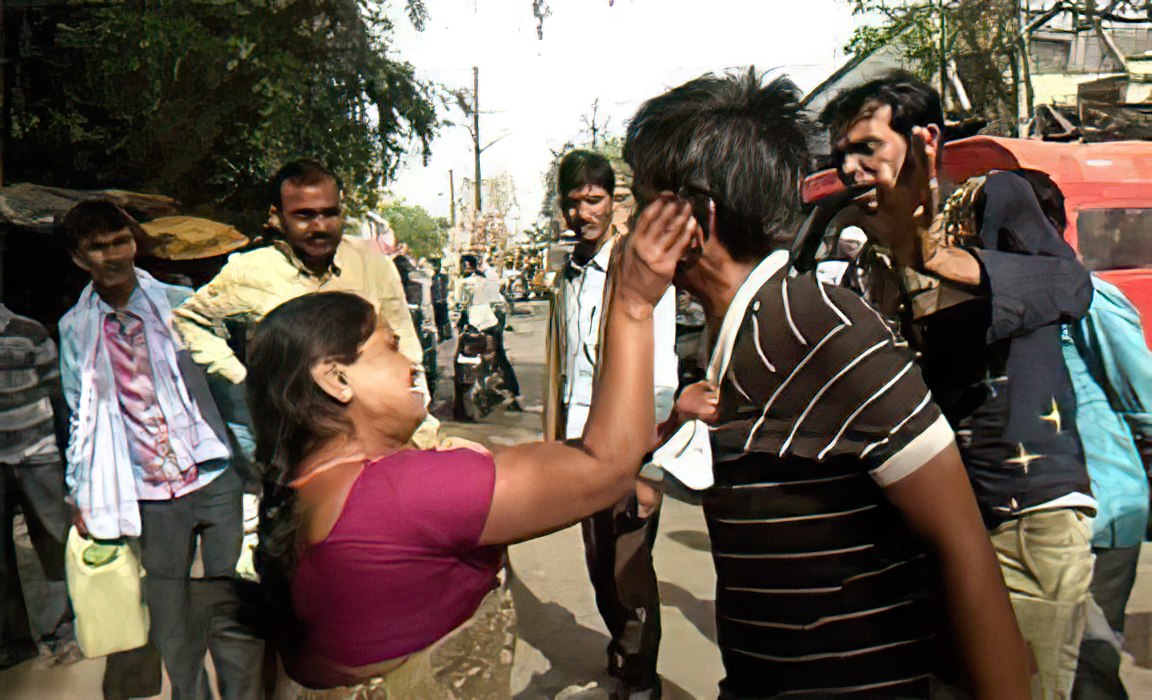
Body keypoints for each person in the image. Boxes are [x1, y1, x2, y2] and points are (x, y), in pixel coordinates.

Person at [625, 69, 1030, 698]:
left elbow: (965, 552)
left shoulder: (815, 321)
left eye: (642, 199)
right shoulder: (739, 331)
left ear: (696, 219)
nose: (630, 224)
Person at [243, 194, 697, 695]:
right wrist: (632, 303)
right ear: (336, 380)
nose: (411, 363)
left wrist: (667, 425)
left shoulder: (315, 484)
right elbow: (603, 470)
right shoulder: (401, 494)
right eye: (389, 347)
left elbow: (570, 460)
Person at [822, 72, 1096, 698]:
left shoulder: (994, 197)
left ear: (924, 142)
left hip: (1026, 516)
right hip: (944, 526)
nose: (852, 168)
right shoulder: (868, 254)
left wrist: (936, 256)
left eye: (868, 147)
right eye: (842, 156)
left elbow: (1068, 287)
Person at [57, 200, 259, 700]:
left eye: (119, 241)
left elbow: (229, 390)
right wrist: (79, 493)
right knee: (170, 618)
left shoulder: (182, 303)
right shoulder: (74, 328)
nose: (112, 255)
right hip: (148, 492)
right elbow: (80, 415)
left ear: (134, 243)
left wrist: (254, 469)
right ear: (80, 258)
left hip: (214, 476)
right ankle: (190, 694)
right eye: (97, 247)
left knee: (230, 608)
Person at [172, 158, 439, 447]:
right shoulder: (249, 271)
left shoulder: (372, 263)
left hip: (375, 433)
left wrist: (421, 433)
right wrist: (243, 382)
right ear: (277, 216)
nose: (320, 226)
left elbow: (407, 351)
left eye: (330, 213)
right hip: (298, 444)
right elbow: (189, 319)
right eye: (305, 215)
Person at [542, 149, 678, 699]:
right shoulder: (569, 272)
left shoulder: (635, 268)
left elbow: (662, 370)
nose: (583, 212)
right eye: (573, 202)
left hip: (627, 447)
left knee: (628, 568)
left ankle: (642, 679)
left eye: (594, 199)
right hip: (579, 448)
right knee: (599, 563)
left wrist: (651, 466)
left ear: (614, 201)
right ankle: (623, 650)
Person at [1064, 276, 1152, 699]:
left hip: (1105, 503)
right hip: (1043, 507)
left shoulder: (1090, 296)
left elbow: (1142, 395)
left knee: (1089, 664)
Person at [0, 303, 78, 669]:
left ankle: (66, 629)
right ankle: (14, 640)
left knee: (54, 544)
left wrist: (68, 460)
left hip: (37, 455)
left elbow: (57, 394)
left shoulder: (28, 331)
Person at [454, 254, 522, 419]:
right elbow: (499, 304)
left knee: (462, 362)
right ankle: (512, 395)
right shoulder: (487, 281)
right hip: (491, 325)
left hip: (474, 326)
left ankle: (463, 408)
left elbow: (460, 305)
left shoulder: (463, 283)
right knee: (499, 358)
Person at [429, 257, 452, 342]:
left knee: (444, 318)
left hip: (442, 300)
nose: (436, 268)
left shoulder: (444, 277)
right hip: (435, 301)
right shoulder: (432, 278)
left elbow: (446, 287)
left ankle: (447, 334)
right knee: (438, 319)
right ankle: (441, 335)